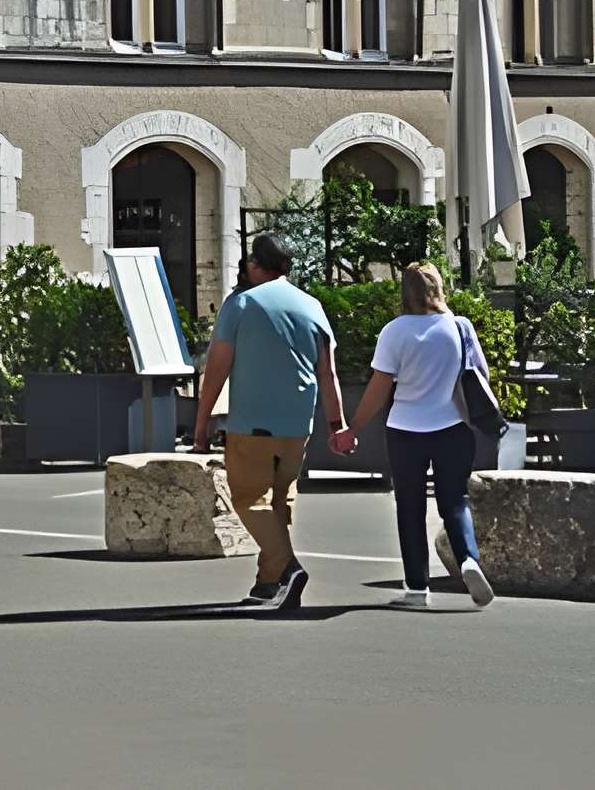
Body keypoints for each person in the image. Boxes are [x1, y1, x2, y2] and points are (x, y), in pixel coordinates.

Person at [190, 234, 343, 610]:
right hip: (297, 424)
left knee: (247, 499)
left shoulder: (240, 304)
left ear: (256, 266)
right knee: (279, 502)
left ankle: (289, 569)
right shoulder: (312, 306)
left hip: (253, 421)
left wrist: (201, 423)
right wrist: (337, 423)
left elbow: (216, 370)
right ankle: (268, 581)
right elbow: (329, 373)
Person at [334, 261, 497, 611]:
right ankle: (468, 559)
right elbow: (480, 375)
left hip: (405, 430)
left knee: (409, 507)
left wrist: (354, 428)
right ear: (438, 287)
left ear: (404, 292)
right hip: (453, 429)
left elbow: (379, 388)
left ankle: (417, 587)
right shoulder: (459, 327)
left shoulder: (394, 331)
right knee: (454, 501)